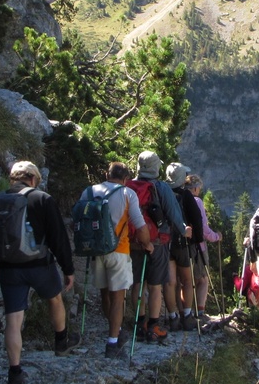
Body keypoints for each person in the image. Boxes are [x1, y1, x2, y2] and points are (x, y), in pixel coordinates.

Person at [0, 161, 79, 384]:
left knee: (13, 320)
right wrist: (68, 268)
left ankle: (14, 374)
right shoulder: (43, 199)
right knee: (55, 299)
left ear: (12, 179)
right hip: (40, 266)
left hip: (9, 269)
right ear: (33, 179)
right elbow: (58, 238)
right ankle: (61, 341)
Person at [78, 163, 153, 359]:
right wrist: (147, 244)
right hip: (118, 251)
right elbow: (139, 224)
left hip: (95, 250)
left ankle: (116, 331)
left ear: (106, 174)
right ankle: (113, 343)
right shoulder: (128, 194)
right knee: (118, 298)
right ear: (126, 178)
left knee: (105, 294)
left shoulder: (88, 192)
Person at [126, 151, 187, 343]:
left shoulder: (128, 187)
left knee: (137, 283)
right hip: (157, 242)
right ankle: (153, 327)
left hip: (134, 242)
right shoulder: (160, 186)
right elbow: (174, 213)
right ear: (155, 168)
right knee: (155, 286)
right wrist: (184, 231)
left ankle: (139, 323)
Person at [165, 163, 201, 331]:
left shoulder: (161, 191)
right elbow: (197, 220)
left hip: (165, 243)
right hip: (183, 244)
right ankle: (187, 315)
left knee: (171, 282)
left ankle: (172, 317)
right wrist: (197, 240)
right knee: (187, 280)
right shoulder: (186, 195)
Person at [186, 173, 221, 317]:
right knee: (202, 279)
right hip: (198, 246)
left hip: (181, 246)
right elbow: (203, 228)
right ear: (194, 188)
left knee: (186, 281)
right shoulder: (196, 201)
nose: (199, 191)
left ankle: (185, 311)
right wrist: (216, 237)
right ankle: (200, 310)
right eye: (199, 188)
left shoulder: (178, 198)